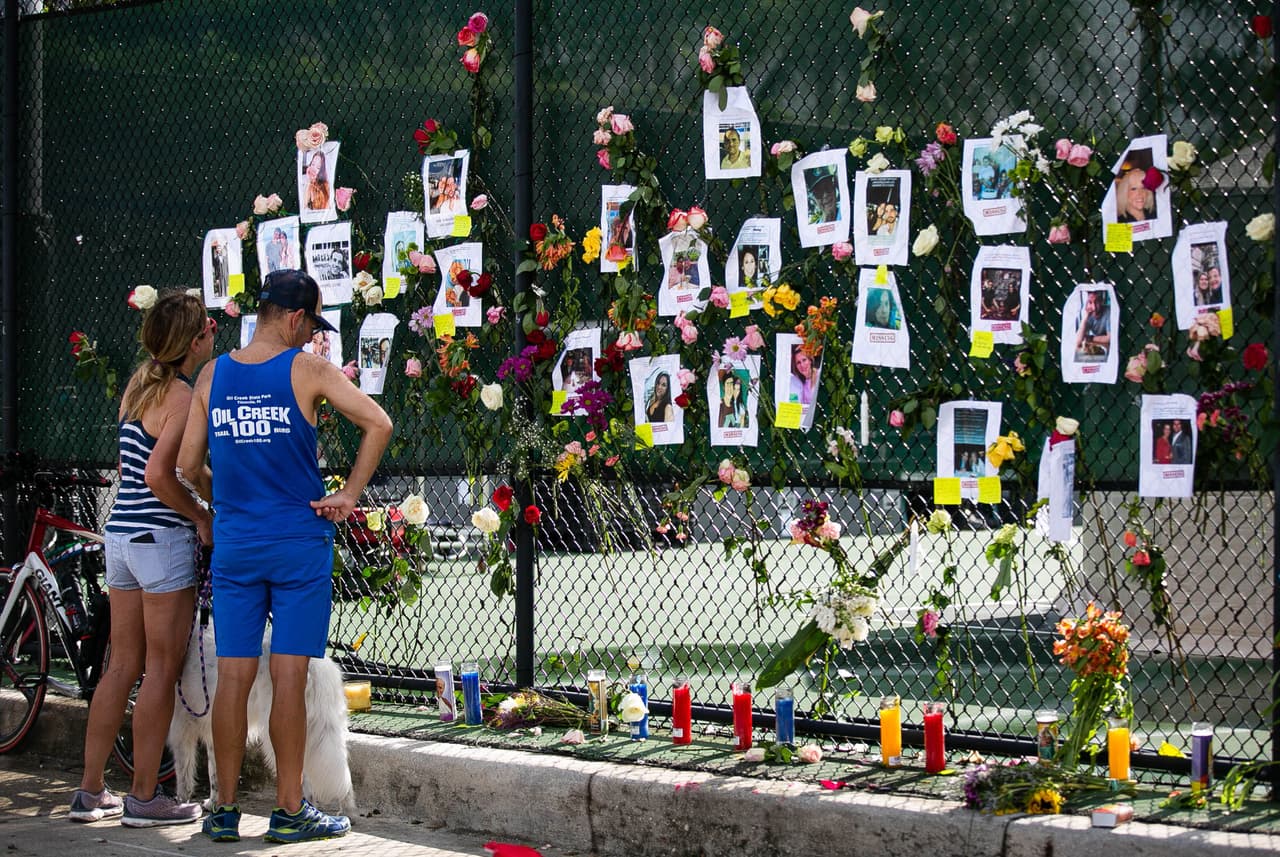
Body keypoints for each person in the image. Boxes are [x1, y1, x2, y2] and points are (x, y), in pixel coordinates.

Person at [177, 269, 392, 844]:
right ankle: (289, 810)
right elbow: (379, 422)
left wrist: (227, 497)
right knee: (290, 677)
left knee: (234, 678)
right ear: (296, 318)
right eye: (311, 325)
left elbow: (185, 464)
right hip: (298, 545)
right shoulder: (309, 370)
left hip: (237, 544)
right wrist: (348, 494)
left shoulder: (212, 375)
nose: (311, 337)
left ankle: (221, 810)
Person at [70, 293, 214, 827]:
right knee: (159, 670)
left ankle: (89, 792)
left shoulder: (139, 384)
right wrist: (201, 516)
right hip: (161, 538)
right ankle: (145, 797)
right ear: (193, 340)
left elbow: (142, 466)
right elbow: (159, 475)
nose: (213, 330)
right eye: (207, 326)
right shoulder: (180, 395)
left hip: (122, 537)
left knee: (121, 665)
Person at [1074, 290, 1110, 361]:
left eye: (1096, 302)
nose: (1094, 307)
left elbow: (1109, 338)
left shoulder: (1108, 312)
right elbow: (1078, 341)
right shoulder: (1086, 313)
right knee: (1077, 354)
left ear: (1101, 301)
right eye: (1090, 302)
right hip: (1094, 344)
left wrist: (1089, 338)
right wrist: (1085, 318)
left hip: (1107, 345)